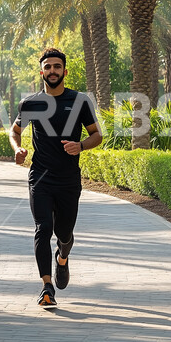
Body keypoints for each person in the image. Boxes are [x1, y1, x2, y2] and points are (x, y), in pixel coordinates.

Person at [9, 47, 102, 306]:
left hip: (69, 179)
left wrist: (80, 145)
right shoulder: (30, 103)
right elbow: (14, 131)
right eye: (48, 67)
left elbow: (97, 135)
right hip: (40, 176)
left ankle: (63, 257)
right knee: (43, 228)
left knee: (64, 233)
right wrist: (18, 149)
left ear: (64, 71)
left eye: (57, 67)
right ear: (42, 72)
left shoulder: (80, 100)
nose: (52, 71)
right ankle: (46, 287)